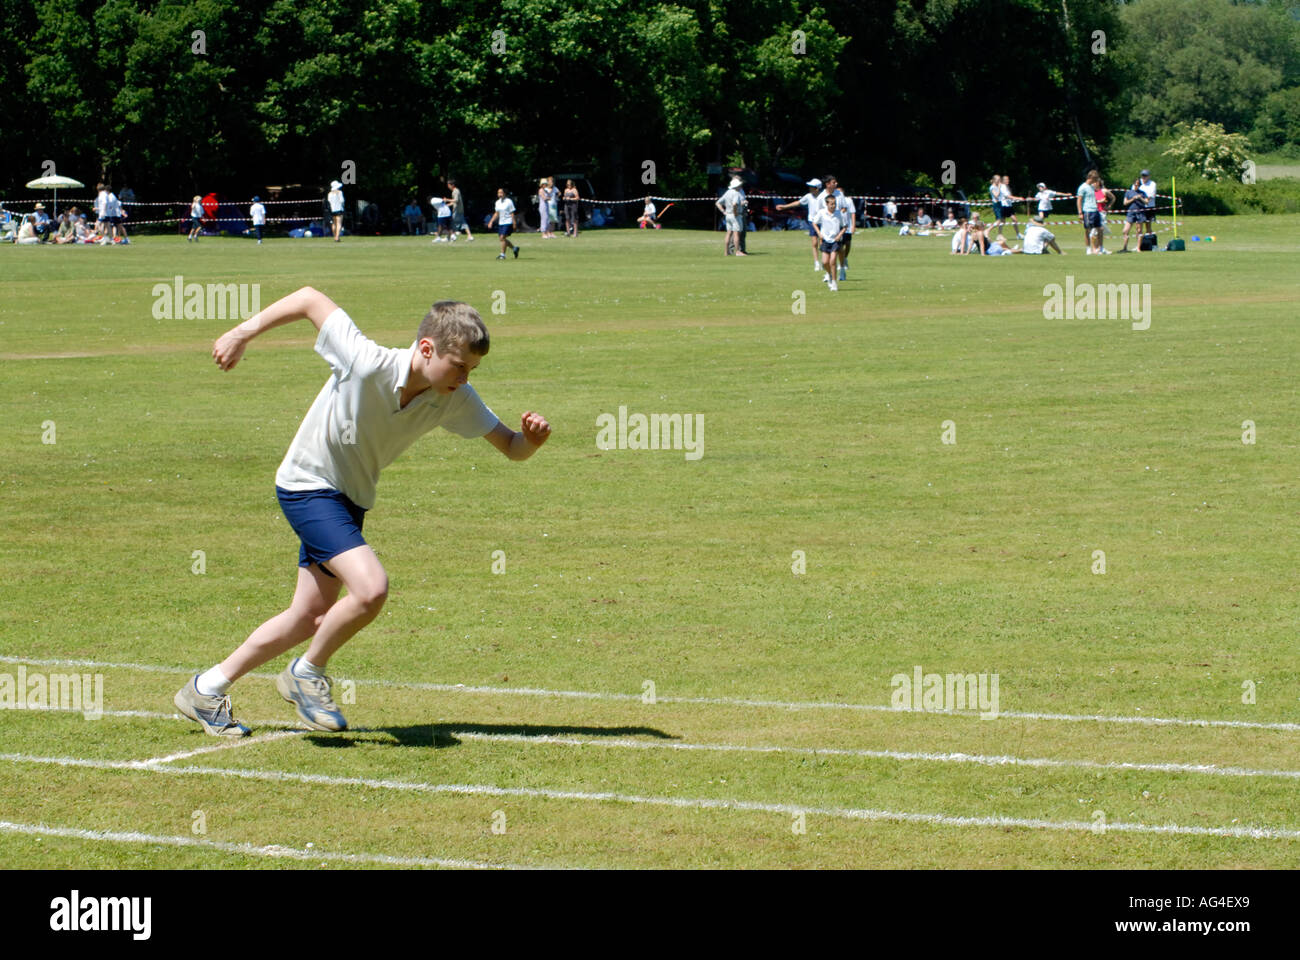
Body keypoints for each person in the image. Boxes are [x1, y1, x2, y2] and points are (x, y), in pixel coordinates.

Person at [175, 287, 551, 736]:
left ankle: (206, 689)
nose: (466, 378)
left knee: (308, 617)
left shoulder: (453, 398)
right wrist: (242, 333)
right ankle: (307, 674)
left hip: (350, 500)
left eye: (473, 370)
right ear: (427, 349)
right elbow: (310, 299)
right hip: (308, 485)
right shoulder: (365, 359)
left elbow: (511, 447)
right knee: (371, 589)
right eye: (460, 366)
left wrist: (531, 441)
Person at [776, 178, 824, 272]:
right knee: (814, 242)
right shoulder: (808, 196)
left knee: (822, 242)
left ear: (817, 188)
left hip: (823, 222)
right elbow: (798, 202)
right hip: (812, 221)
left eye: (812, 187)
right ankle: (816, 263)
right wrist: (784, 207)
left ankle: (823, 262)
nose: (810, 188)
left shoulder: (823, 196)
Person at [812, 195, 845, 290]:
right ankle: (829, 274)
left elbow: (844, 226)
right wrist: (819, 233)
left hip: (835, 241)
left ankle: (834, 283)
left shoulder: (839, 214)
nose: (833, 206)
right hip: (825, 240)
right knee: (825, 262)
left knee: (833, 261)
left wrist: (839, 235)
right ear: (826, 204)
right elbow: (814, 223)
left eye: (834, 204)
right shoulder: (822, 213)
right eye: (831, 204)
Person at [1076, 170, 1104, 255]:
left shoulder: (1092, 187)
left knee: (1100, 229)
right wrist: (1080, 212)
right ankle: (1088, 249)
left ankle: (1100, 248)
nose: (1096, 181)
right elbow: (1079, 200)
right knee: (1088, 230)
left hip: (1095, 210)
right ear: (1091, 178)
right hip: (1088, 211)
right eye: (1095, 179)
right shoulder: (1082, 187)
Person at [488, 187, 520, 259]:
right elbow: (496, 213)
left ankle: (502, 255)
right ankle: (514, 248)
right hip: (501, 223)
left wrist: (514, 223)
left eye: (501, 193)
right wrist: (491, 222)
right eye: (498, 193)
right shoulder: (497, 202)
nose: (499, 194)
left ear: (505, 193)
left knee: (502, 238)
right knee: (502, 239)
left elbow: (512, 213)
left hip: (508, 222)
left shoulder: (509, 201)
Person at [716, 177, 745, 255]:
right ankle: (737, 252)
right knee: (736, 234)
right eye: (739, 185)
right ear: (737, 186)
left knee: (728, 233)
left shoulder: (727, 192)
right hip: (735, 215)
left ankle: (726, 252)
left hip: (728, 215)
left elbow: (718, 203)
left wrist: (723, 211)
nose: (740, 187)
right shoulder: (736, 193)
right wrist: (735, 213)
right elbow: (735, 204)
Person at [833, 183, 856, 282]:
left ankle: (844, 258)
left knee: (848, 244)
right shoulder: (833, 201)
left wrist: (853, 225)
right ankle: (841, 263)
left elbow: (852, 213)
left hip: (847, 225)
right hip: (838, 227)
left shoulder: (848, 200)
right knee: (840, 246)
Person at [1138, 169, 1157, 239]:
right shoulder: (1138, 183)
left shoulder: (1152, 184)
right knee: (1138, 227)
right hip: (1139, 207)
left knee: (1148, 226)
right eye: (1143, 175)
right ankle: (1139, 245)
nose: (1144, 177)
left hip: (1149, 207)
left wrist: (1141, 198)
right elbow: (1133, 192)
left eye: (1145, 176)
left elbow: (1149, 196)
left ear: (1149, 176)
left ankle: (1149, 243)